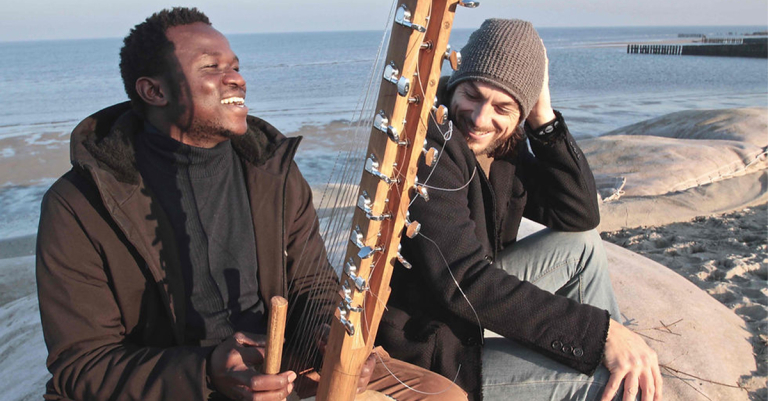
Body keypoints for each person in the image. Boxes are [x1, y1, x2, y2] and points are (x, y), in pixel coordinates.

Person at [35, 7, 466, 401]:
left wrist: (330, 338)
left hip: (286, 368)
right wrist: (207, 372)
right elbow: (81, 364)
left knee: (441, 395)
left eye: (236, 67)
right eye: (211, 68)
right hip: (183, 384)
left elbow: (312, 285)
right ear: (154, 90)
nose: (236, 79)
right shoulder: (80, 203)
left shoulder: (270, 170)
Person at [376, 19, 662, 401]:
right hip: (430, 345)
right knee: (605, 384)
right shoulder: (430, 148)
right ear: (455, 83)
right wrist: (601, 332)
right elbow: (464, 281)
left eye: (503, 107)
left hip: (463, 309)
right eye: (472, 94)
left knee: (583, 247)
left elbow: (579, 215)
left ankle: (619, 365)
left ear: (521, 112)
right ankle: (608, 374)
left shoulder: (504, 146)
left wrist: (544, 118)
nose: (480, 118)